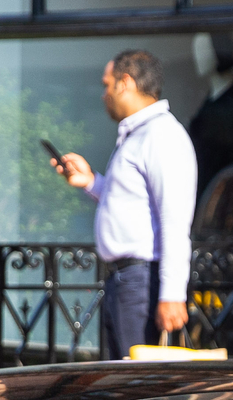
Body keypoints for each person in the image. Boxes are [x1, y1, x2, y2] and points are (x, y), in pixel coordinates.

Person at [53, 50, 196, 359]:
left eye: (107, 84)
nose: (104, 94)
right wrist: (91, 181)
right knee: (123, 385)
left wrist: (172, 294)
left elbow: (174, 218)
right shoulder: (139, 134)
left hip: (141, 281)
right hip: (126, 280)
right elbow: (134, 205)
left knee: (137, 390)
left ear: (126, 82)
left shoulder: (161, 135)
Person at [185, 31, 233, 225]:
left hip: (228, 211)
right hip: (205, 201)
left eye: (203, 50)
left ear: (217, 53)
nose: (197, 57)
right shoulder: (205, 102)